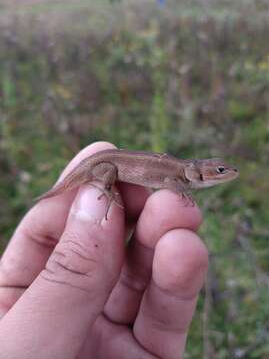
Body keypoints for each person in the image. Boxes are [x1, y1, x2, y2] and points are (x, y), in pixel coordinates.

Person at [0, 141, 208, 359]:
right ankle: (105, 190)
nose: (222, 174)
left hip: (105, 162)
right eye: (219, 171)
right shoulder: (177, 174)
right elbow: (165, 180)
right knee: (110, 176)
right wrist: (108, 191)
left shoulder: (180, 173)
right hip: (101, 166)